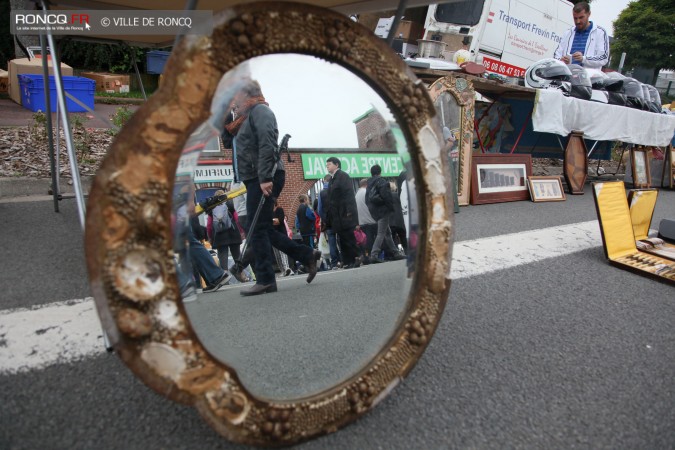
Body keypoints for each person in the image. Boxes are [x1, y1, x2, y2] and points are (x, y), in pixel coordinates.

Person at [222, 78, 320, 296]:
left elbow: (268, 141)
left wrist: (266, 176)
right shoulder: (242, 119)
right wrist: (226, 117)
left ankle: (266, 280)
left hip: (264, 176)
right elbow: (229, 144)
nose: (234, 99)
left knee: (257, 229)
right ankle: (307, 255)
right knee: (263, 228)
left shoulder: (260, 111)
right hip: (254, 177)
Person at [324, 157, 361, 269]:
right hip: (336, 216)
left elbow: (348, 195)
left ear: (336, 165)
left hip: (344, 213)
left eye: (329, 164)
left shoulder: (343, 176)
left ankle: (356, 258)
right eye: (327, 165)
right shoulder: (331, 179)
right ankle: (347, 261)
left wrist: (350, 211)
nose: (327, 166)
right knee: (342, 238)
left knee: (349, 237)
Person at [366, 164, 405, 263]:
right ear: (380, 172)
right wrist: (391, 208)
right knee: (381, 233)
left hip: (374, 211)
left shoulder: (369, 184)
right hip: (383, 210)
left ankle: (395, 252)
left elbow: (367, 200)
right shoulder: (381, 181)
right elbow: (386, 196)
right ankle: (374, 254)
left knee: (387, 233)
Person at [553, 2, 609, 69]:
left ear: (589, 14)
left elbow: (604, 58)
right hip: (568, 76)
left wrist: (584, 59)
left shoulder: (600, 32)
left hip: (589, 78)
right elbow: (556, 55)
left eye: (581, 17)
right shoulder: (568, 33)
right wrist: (561, 60)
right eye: (575, 18)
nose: (578, 21)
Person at [206, 192, 241, 274]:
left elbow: (209, 225)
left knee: (223, 258)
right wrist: (241, 231)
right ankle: (241, 274)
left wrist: (210, 237)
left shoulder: (212, 207)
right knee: (237, 256)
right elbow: (236, 218)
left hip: (219, 236)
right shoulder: (230, 205)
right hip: (233, 233)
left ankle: (225, 276)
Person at [318, 173, 342, 269]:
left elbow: (319, 209)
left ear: (324, 181)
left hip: (328, 221)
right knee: (341, 240)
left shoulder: (322, 193)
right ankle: (343, 260)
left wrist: (324, 218)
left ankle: (334, 262)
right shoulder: (335, 190)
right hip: (338, 219)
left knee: (331, 242)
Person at [354, 178, 377, 262]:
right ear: (366, 185)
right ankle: (372, 256)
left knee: (365, 241)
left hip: (361, 221)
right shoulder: (366, 192)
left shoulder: (357, 194)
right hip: (370, 220)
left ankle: (366, 256)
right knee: (372, 240)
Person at [272, 198, 293, 277]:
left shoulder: (279, 209)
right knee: (277, 254)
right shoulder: (269, 212)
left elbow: (280, 220)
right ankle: (282, 270)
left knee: (282, 252)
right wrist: (274, 221)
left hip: (281, 234)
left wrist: (273, 221)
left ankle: (287, 268)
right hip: (273, 235)